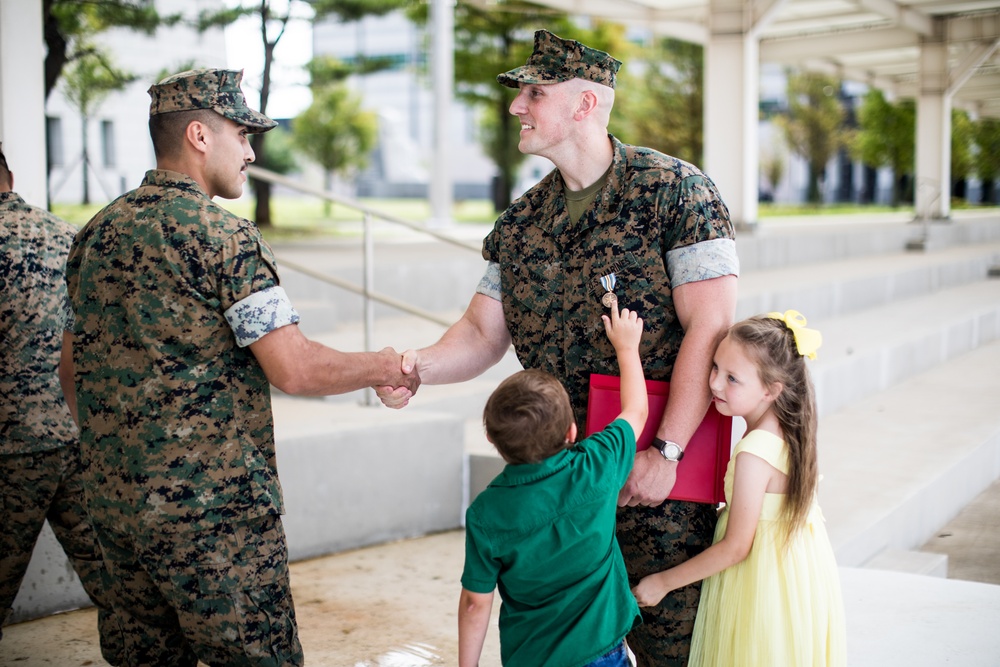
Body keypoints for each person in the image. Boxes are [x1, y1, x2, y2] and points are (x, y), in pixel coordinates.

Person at [378, 30, 738, 664]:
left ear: (585, 105)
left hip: (653, 483)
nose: (517, 106)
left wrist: (667, 450)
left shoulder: (678, 192)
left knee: (667, 649)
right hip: (557, 497)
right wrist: (415, 368)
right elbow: (482, 332)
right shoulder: (519, 223)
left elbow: (710, 328)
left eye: (534, 93)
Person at [64, 68, 419, 667]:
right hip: (214, 521)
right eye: (242, 133)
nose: (252, 151)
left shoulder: (94, 234)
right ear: (200, 135)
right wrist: (384, 364)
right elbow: (296, 368)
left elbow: (72, 369)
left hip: (115, 511)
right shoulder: (223, 239)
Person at [632, 311, 847, 666]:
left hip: (761, 586)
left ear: (771, 389)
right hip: (797, 577)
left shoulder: (754, 451)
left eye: (732, 378)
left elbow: (735, 548)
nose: (714, 384)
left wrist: (662, 583)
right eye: (715, 367)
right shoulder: (790, 432)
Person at [459, 303, 647, 667]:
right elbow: (636, 411)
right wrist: (626, 348)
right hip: (601, 652)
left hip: (531, 657)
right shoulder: (597, 464)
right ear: (572, 432)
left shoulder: (485, 514)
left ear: (490, 438)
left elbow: (475, 601)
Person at [0, 145, 123, 663]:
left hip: (8, 450)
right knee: (123, 594)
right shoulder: (66, 236)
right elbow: (91, 344)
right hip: (74, 439)